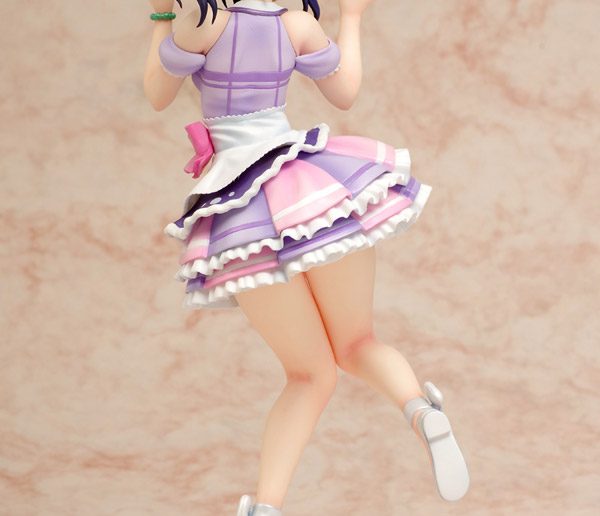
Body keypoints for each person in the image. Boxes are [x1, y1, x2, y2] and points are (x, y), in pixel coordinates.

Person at [144, 1, 470, 514]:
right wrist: (353, 17)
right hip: (312, 189)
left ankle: (266, 507)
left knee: (309, 376)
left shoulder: (201, 24)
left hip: (243, 212)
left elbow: (157, 94)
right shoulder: (295, 24)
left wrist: (162, 17)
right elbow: (346, 92)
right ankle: (420, 409)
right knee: (358, 342)